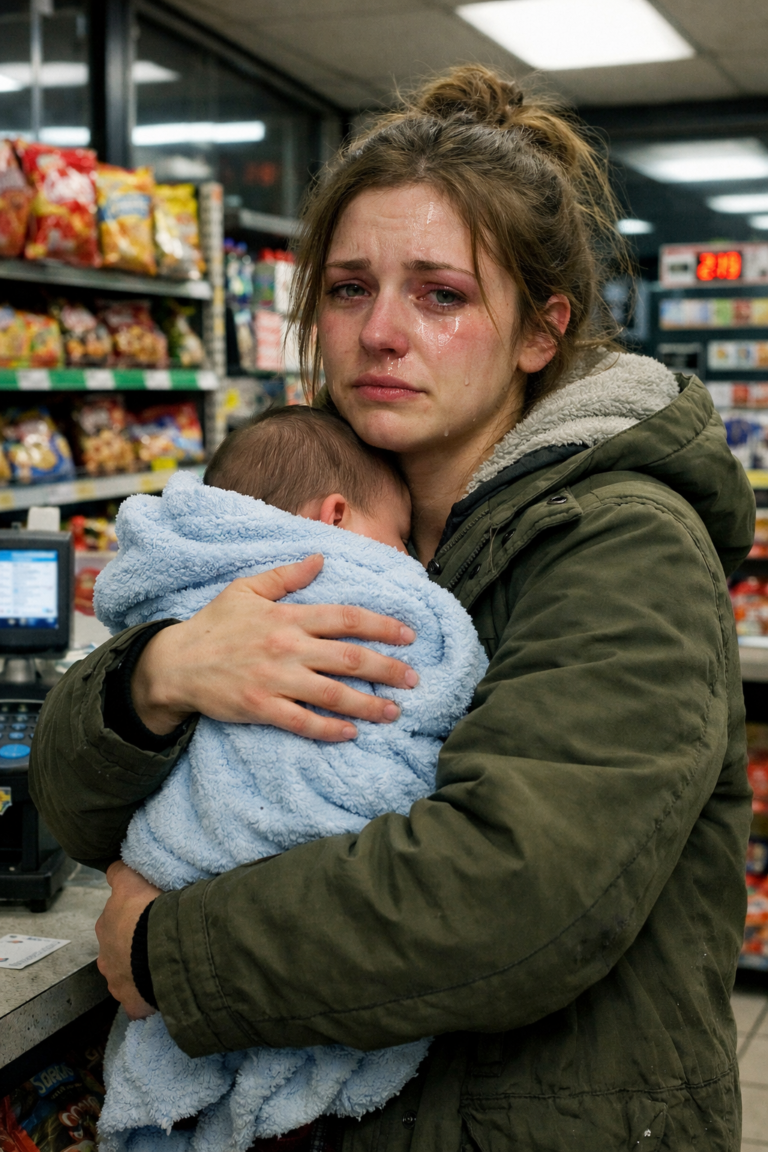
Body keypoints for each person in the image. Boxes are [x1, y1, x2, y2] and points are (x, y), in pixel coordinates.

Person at [30, 64, 755, 1152]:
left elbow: (515, 897)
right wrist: (157, 676)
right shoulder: (285, 512)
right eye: (349, 288)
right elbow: (72, 806)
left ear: (540, 332)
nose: (379, 332)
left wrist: (164, 955)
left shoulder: (621, 543)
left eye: (442, 295)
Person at [92, 406, 485, 1150]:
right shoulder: (371, 591)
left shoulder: (178, 579)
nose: (408, 562)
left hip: (177, 904)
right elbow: (439, 688)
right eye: (399, 538)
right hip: (281, 935)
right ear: (334, 516)